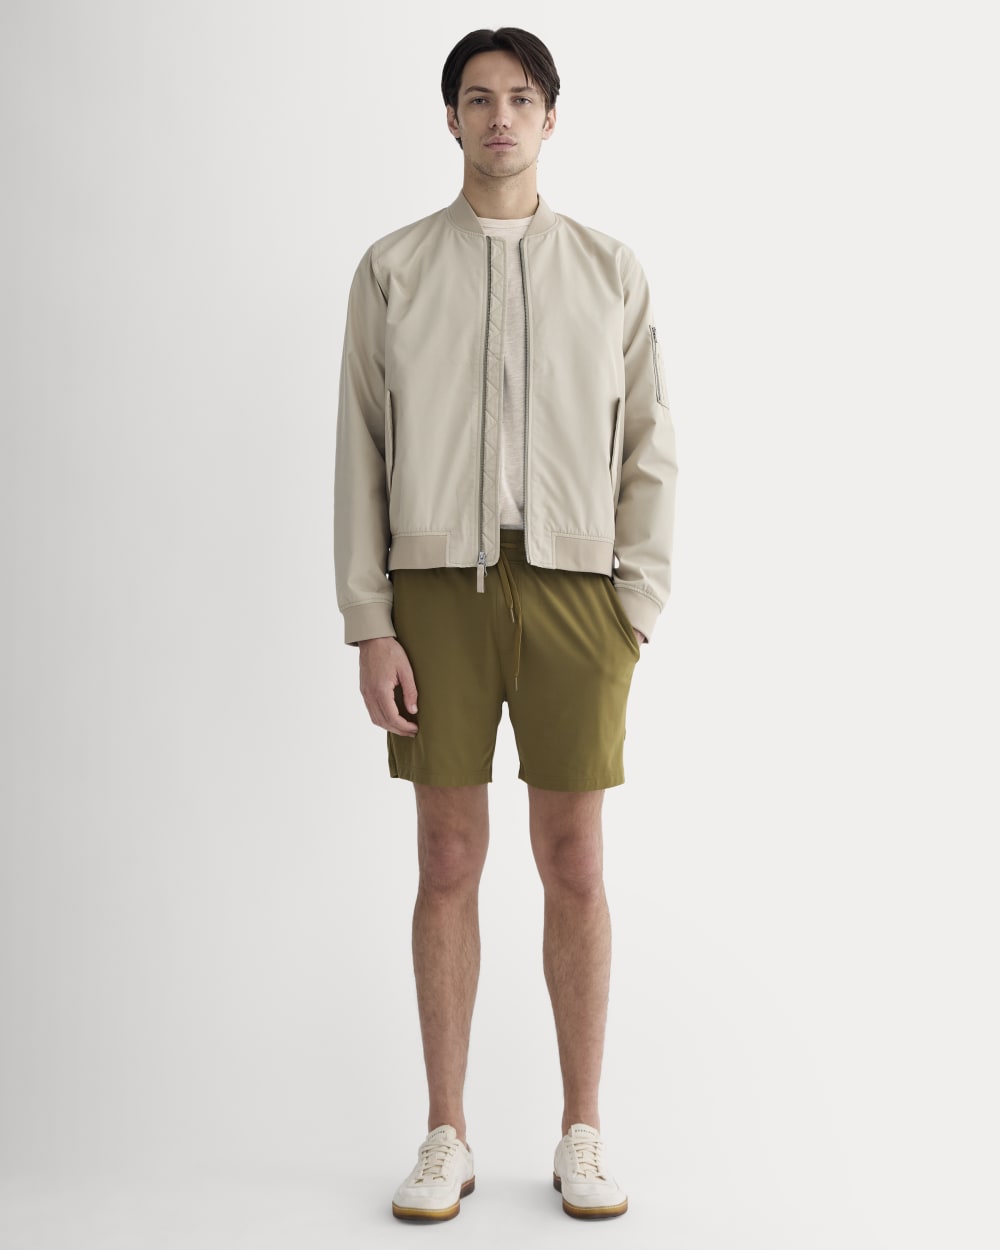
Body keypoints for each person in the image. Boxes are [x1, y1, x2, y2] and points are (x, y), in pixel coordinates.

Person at [334, 26, 677, 1223]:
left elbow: (651, 447)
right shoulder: (393, 269)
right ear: (449, 118)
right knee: (446, 857)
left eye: (520, 98)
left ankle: (582, 1130)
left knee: (574, 859)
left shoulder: (609, 268)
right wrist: (370, 620)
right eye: (477, 98)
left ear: (549, 118)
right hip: (435, 592)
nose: (499, 118)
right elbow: (359, 450)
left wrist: (635, 602)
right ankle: (446, 1131)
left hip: (581, 593)